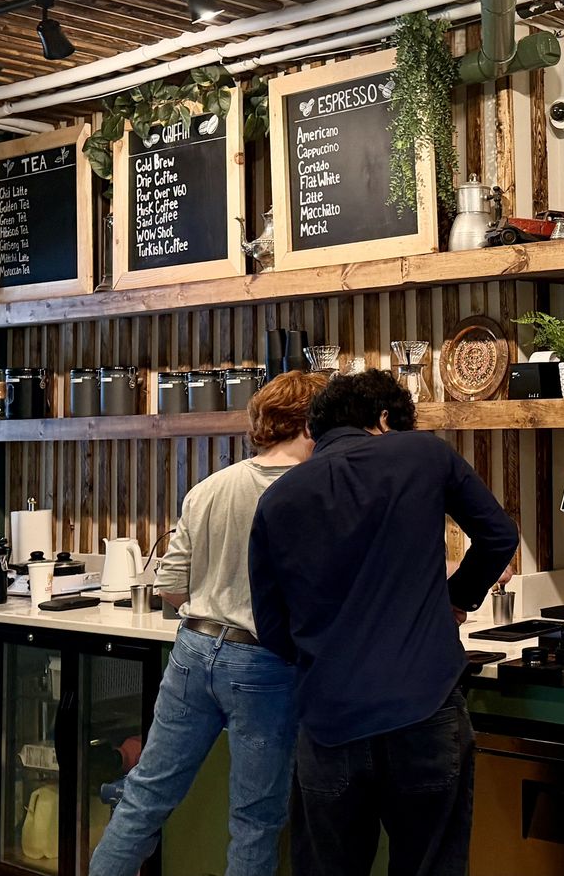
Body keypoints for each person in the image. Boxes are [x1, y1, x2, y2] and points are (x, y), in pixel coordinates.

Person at [250, 369, 518, 876]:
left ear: (317, 428)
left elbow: (273, 628)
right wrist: (454, 599)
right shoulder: (423, 455)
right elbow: (499, 537)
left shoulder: (278, 499)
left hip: (329, 725)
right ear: (382, 419)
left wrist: (326, 653)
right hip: (423, 710)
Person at [89, 370, 330, 876]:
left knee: (144, 798)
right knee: (255, 820)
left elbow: (171, 588)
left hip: (193, 652)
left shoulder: (210, 487)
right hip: (263, 666)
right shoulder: (317, 493)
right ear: (311, 425)